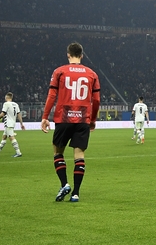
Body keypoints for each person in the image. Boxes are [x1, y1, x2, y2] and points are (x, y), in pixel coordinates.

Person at [41, 42, 101, 203]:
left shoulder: (59, 71)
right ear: (82, 56)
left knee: (58, 152)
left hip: (64, 118)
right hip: (83, 119)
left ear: (68, 55)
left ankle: (64, 184)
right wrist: (92, 119)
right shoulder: (92, 74)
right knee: (79, 155)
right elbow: (96, 100)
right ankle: (75, 193)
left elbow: (52, 96)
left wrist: (45, 117)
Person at [0, 92, 26, 157]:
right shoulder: (16, 104)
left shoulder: (6, 104)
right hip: (12, 123)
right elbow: (19, 114)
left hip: (8, 123)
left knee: (11, 137)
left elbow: (2, 114)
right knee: (4, 137)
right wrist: (21, 123)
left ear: (6, 97)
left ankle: (18, 153)